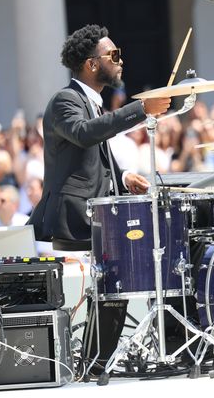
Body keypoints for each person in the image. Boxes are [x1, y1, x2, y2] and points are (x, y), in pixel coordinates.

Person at [29, 25, 170, 249]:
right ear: (92, 64)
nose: (120, 61)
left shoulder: (92, 104)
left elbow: (95, 163)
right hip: (69, 227)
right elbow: (84, 134)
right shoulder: (65, 100)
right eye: (114, 55)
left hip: (93, 221)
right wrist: (141, 109)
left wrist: (123, 178)